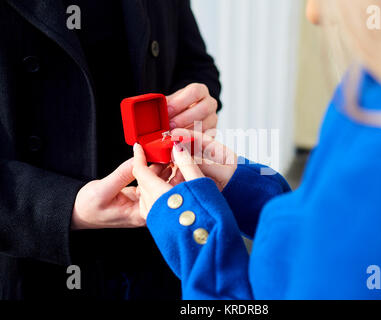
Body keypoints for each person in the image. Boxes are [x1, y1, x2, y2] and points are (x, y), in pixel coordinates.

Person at [133, 0, 381, 299]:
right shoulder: (366, 94)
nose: (314, 13)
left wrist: (194, 231)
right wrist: (247, 187)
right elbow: (326, 233)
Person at [0, 0, 220, 299]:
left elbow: (196, 65)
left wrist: (196, 105)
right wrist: (65, 207)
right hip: (39, 263)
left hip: (159, 243)